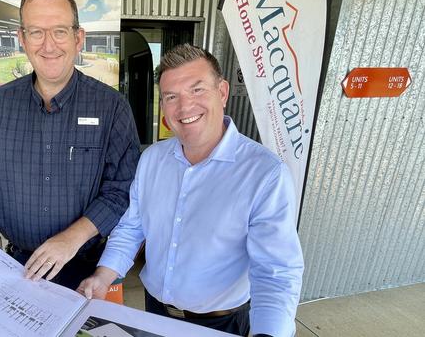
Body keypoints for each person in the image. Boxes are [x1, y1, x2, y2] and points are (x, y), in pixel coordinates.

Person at [78, 44, 304, 337]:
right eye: (172, 97)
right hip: (155, 312)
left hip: (221, 324)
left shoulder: (265, 174)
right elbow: (132, 227)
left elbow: (275, 273)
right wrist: (103, 275)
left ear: (222, 92)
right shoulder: (152, 160)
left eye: (197, 90)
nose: (185, 107)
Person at [0, 0, 140, 291]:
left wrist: (71, 238)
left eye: (59, 30)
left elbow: (121, 189)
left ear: (78, 37)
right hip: (16, 265)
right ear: (21, 38)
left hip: (87, 269)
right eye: (36, 32)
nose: (49, 44)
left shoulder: (112, 108)